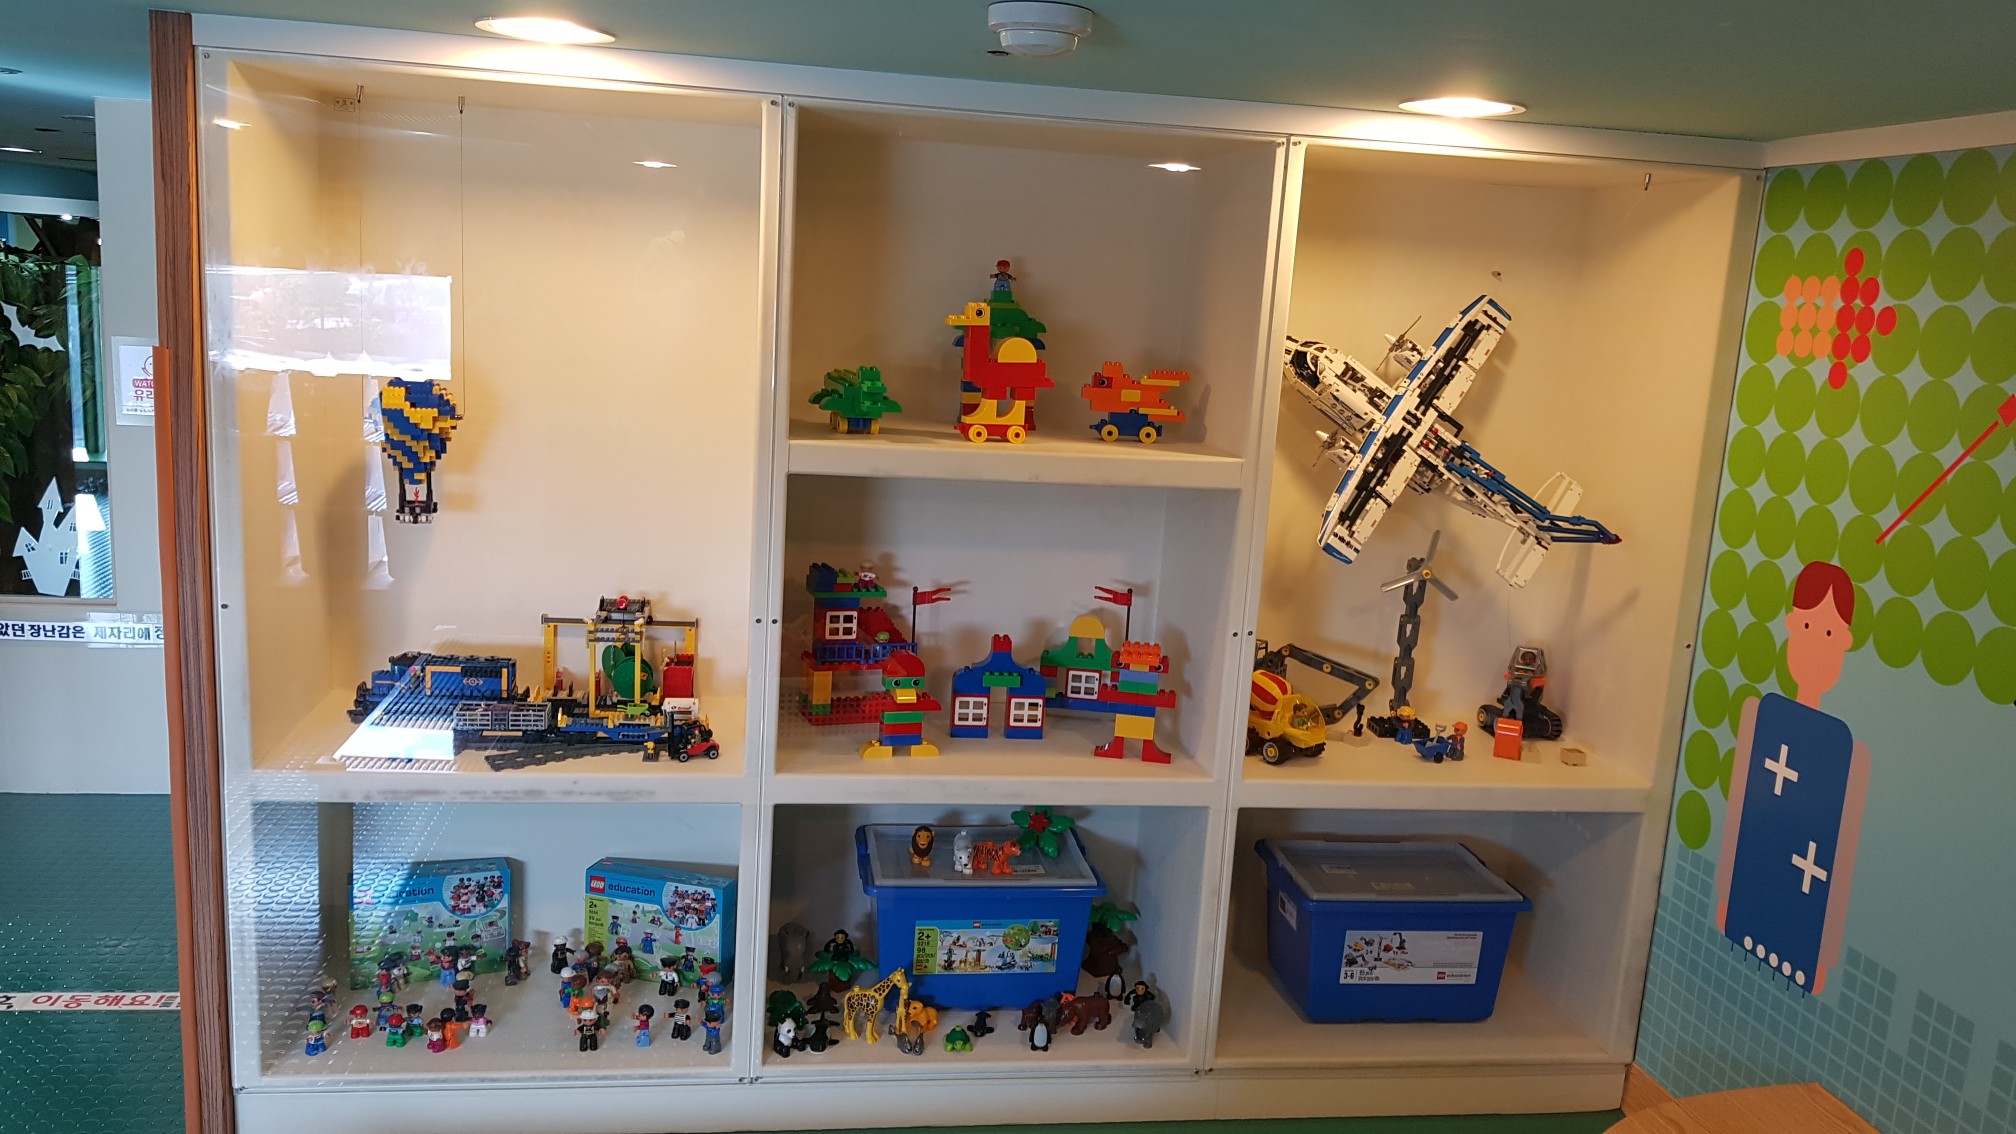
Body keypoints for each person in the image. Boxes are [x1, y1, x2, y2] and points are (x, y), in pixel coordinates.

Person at [1716, 560, 1871, 997]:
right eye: (1806, 627)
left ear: (1844, 643)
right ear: (1790, 626)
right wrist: (1726, 896)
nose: (1815, 643)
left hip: (1803, 923)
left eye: (1829, 634)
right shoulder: (1760, 716)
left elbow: (1842, 857)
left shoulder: (1849, 754)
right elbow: (1739, 817)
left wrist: (1826, 957)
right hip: (1750, 901)